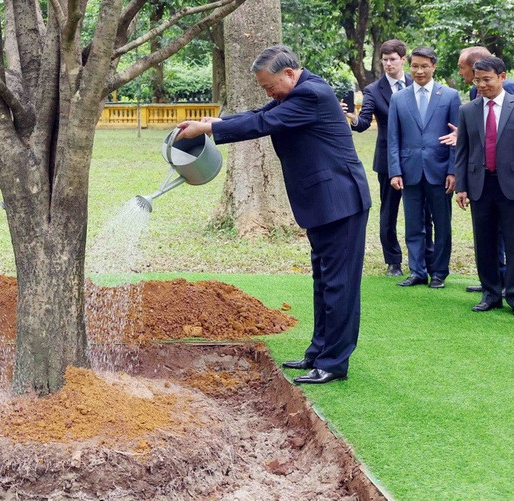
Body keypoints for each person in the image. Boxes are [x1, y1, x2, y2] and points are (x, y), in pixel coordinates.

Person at [178, 45, 370, 385]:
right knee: (324, 281)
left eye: (270, 86)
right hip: (323, 202)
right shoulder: (295, 92)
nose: (268, 93)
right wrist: (214, 122)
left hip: (341, 202)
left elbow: (263, 123)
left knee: (339, 284)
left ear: (289, 74)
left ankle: (334, 363)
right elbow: (259, 112)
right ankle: (319, 351)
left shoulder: (310, 93)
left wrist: (209, 131)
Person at [454, 56, 514, 319]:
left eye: (487, 79)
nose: (481, 85)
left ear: (502, 77)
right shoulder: (468, 110)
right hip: (480, 185)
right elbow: (462, 152)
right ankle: (490, 293)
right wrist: (462, 187)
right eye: (477, 80)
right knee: (484, 242)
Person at [345, 39, 433, 277]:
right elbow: (363, 124)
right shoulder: (374, 90)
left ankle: (427, 258)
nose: (388, 64)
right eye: (384, 60)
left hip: (418, 159)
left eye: (393, 59)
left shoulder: (417, 83)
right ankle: (393, 261)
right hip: (387, 160)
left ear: (403, 60)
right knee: (389, 212)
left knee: (424, 211)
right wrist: (350, 117)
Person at [386, 47, 460, 289]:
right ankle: (417, 271)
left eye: (424, 66)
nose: (419, 71)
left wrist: (452, 170)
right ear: (409, 66)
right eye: (415, 66)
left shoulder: (449, 95)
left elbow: (455, 137)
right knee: (413, 224)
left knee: (442, 224)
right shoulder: (398, 98)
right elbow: (393, 138)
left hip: (440, 171)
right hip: (409, 171)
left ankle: (439, 272)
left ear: (434, 67)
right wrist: (395, 171)